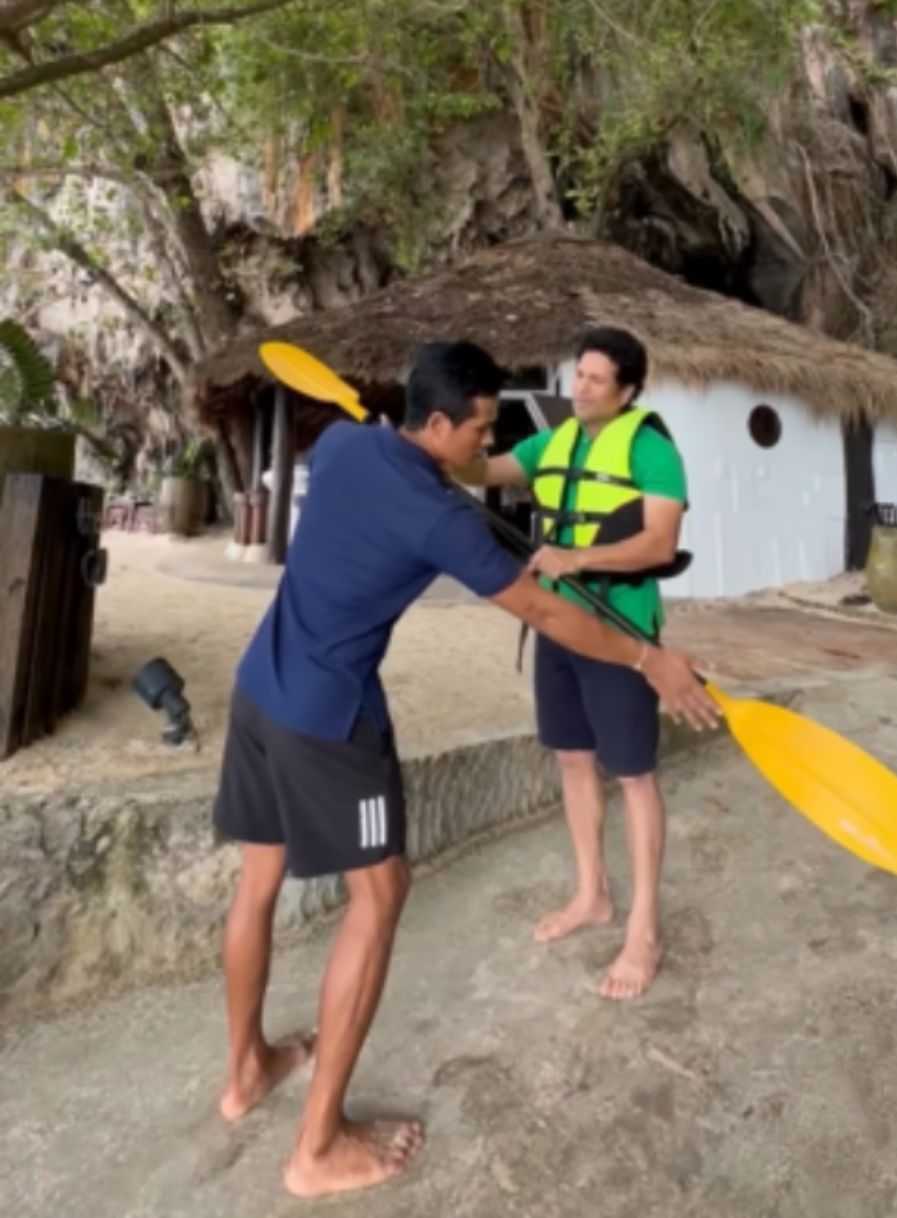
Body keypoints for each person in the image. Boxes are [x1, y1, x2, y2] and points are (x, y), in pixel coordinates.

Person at [213, 340, 720, 1198]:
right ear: (439, 422)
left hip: (260, 688)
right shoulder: (440, 519)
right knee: (381, 895)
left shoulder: (343, 442)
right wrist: (650, 661)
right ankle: (317, 1147)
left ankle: (246, 1074)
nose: (487, 449)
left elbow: (454, 489)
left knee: (256, 883)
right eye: (480, 428)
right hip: (332, 720)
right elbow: (543, 613)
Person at [453, 327, 688, 1000]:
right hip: (556, 623)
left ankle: (643, 928)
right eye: (576, 374)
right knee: (573, 758)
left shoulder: (652, 449)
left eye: (594, 378)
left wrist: (576, 558)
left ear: (629, 390)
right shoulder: (550, 441)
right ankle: (593, 894)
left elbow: (659, 542)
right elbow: (482, 470)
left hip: (618, 627)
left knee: (636, 776)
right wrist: (430, 445)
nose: (579, 386)